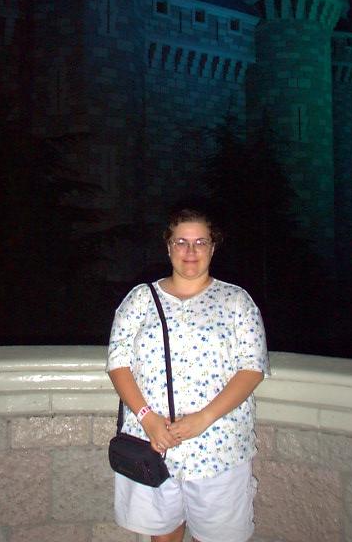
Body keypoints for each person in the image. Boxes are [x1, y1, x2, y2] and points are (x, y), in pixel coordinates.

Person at [107, 207, 270, 542]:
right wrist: (148, 418)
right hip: (153, 443)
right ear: (168, 247)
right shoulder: (140, 300)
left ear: (213, 247)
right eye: (181, 242)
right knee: (162, 535)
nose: (191, 251)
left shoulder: (236, 301)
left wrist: (203, 418)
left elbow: (252, 368)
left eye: (200, 242)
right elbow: (118, 363)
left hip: (218, 448)